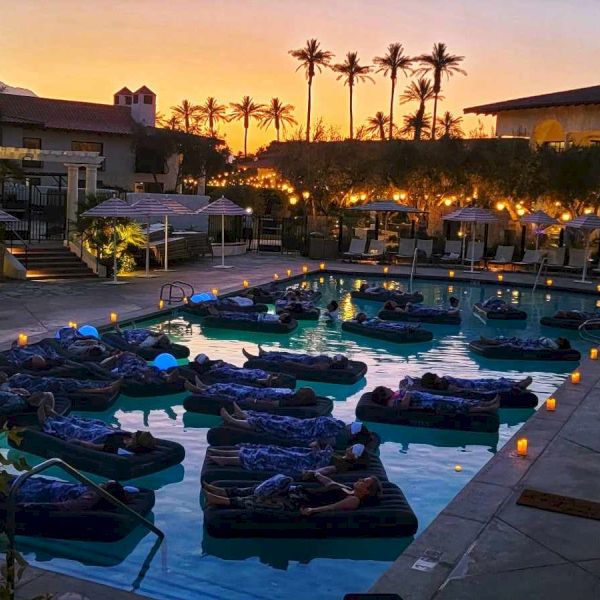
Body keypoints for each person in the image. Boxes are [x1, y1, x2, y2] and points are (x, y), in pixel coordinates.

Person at [202, 473, 382, 514]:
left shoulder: (353, 500)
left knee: (263, 501)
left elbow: (333, 506)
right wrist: (317, 473)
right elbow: (330, 483)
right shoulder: (347, 488)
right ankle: (223, 491)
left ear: (366, 491)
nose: (360, 480)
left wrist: (312, 510)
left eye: (364, 482)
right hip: (299, 492)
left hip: (298, 504)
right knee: (279, 481)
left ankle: (222, 500)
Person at [219, 404, 376, 448]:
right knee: (273, 417)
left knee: (269, 424)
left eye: (352, 427)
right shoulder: (344, 429)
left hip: (300, 432)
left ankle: (234, 422)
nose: (350, 425)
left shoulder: (340, 439)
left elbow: (323, 442)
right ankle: (246, 415)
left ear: (353, 434)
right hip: (301, 424)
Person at [36, 401, 156, 455]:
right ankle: (55, 415)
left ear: (137, 441)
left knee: (73, 429)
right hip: (105, 431)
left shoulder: (121, 449)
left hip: (97, 437)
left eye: (138, 433)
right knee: (87, 423)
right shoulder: (129, 436)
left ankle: (45, 421)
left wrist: (77, 442)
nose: (136, 432)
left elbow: (95, 446)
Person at [206, 441, 368, 477]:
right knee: (267, 448)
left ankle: (225, 460)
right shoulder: (340, 456)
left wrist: (311, 472)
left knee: (264, 456)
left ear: (354, 455)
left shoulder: (342, 465)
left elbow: (325, 470)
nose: (351, 447)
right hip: (299, 456)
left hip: (297, 464)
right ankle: (226, 454)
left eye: (354, 448)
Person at [2, 477, 140, 511]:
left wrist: (28, 505)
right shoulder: (95, 492)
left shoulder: (89, 499)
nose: (101, 483)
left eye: (105, 484)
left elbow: (60, 506)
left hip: (35, 493)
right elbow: (132, 491)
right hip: (41, 486)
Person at [370, 385, 499, 415]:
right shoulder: (391, 402)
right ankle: (488, 408)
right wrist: (408, 392)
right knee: (458, 405)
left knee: (457, 400)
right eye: (385, 389)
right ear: (383, 395)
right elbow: (404, 407)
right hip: (430, 404)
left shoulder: (394, 396)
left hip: (430, 399)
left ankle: (487, 403)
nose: (388, 388)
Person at [185, 380, 317, 407]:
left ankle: (201, 391)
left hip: (254, 396)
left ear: (303, 396)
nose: (299, 389)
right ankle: (206, 386)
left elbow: (273, 403)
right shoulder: (292, 394)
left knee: (227, 393)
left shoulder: (290, 400)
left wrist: (254, 402)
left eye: (302, 390)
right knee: (230, 385)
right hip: (257, 391)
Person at [0, 372, 120, 397]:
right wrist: (19, 390)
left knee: (74, 382)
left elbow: (34, 376)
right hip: (44, 387)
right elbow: (17, 393)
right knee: (73, 387)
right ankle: (102, 390)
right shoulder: (4, 387)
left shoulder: (15, 376)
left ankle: (106, 384)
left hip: (46, 380)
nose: (4, 374)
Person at [190, 354, 279, 386]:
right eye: (205, 358)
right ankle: (263, 381)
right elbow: (207, 371)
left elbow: (220, 361)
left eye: (206, 357)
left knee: (250, 370)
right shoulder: (203, 367)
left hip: (227, 367)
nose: (207, 359)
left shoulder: (212, 362)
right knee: (239, 374)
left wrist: (218, 364)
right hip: (223, 371)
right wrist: (217, 366)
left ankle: (267, 376)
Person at [100, 351, 180, 384]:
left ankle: (167, 377)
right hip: (127, 367)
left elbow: (142, 360)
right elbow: (102, 364)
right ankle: (146, 378)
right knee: (136, 371)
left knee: (155, 368)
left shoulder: (126, 354)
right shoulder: (114, 359)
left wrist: (134, 355)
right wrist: (117, 356)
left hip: (141, 365)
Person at [414, 372, 532, 394]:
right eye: (434, 376)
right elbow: (459, 390)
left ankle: (517, 383)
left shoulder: (443, 381)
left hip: (472, 382)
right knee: (492, 385)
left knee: (493, 381)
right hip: (473, 386)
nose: (437, 375)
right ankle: (518, 386)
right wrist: (473, 391)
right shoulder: (445, 385)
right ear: (434, 380)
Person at [242, 347, 349, 370]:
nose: (337, 355)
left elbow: (310, 367)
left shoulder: (326, 365)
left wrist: (294, 365)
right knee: (283, 353)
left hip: (302, 361)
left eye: (338, 357)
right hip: (304, 358)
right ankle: (264, 353)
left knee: (280, 358)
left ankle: (254, 358)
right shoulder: (329, 360)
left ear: (337, 362)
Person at [207, 307, 293, 325]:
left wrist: (263, 315)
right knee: (237, 313)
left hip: (254, 318)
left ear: (284, 318)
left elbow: (264, 321)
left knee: (237, 316)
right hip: (256, 315)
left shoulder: (276, 321)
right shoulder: (277, 317)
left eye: (284, 314)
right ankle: (221, 312)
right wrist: (263, 314)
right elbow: (267, 316)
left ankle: (219, 314)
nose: (283, 313)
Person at [477, 336, 571, 350]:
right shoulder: (552, 342)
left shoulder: (555, 346)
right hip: (530, 342)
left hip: (530, 346)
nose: (558, 339)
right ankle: (490, 341)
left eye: (560, 340)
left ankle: (490, 342)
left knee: (509, 344)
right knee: (508, 339)